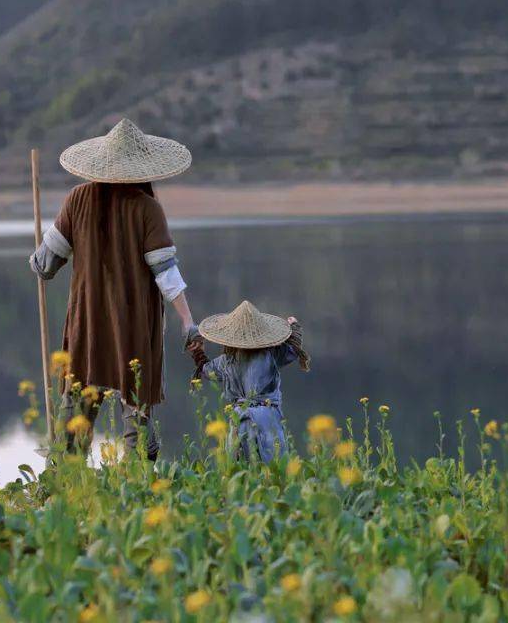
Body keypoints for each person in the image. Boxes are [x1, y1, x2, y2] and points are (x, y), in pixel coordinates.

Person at [29, 118, 198, 461]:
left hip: (87, 323)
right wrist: (188, 322)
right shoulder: (147, 208)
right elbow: (166, 274)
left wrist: (37, 259)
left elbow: (45, 265)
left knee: (77, 400)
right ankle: (136, 483)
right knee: (136, 402)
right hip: (133, 325)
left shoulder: (77, 199)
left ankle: (63, 476)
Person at [188, 300, 310, 462]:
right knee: (273, 471)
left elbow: (205, 369)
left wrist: (198, 352)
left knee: (241, 473)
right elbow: (293, 349)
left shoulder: (226, 360)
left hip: (239, 421)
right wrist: (294, 327)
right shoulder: (271, 354)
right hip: (266, 419)